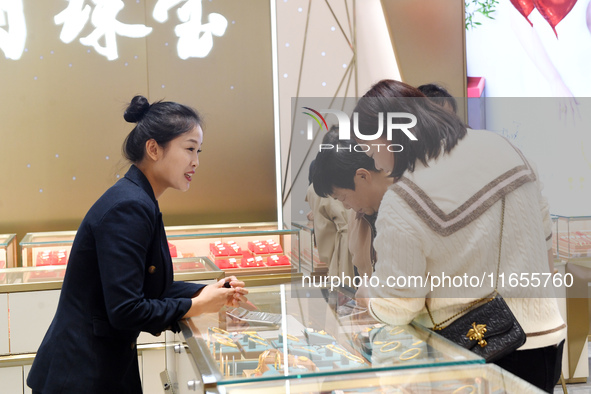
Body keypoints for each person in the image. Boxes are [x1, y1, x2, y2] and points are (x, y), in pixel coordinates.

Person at [352, 79, 565, 393]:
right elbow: (545, 239)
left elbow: (400, 304)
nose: (373, 160)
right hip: (544, 340)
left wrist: (369, 297)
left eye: (369, 148)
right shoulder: (504, 147)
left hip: (478, 353)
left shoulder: (406, 195)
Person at [27, 95, 248, 394]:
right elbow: (126, 309)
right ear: (154, 148)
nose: (196, 161)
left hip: (100, 367)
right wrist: (196, 305)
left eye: (199, 151)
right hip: (81, 374)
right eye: (189, 149)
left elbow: (148, 287)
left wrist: (209, 291)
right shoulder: (129, 207)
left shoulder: (138, 199)